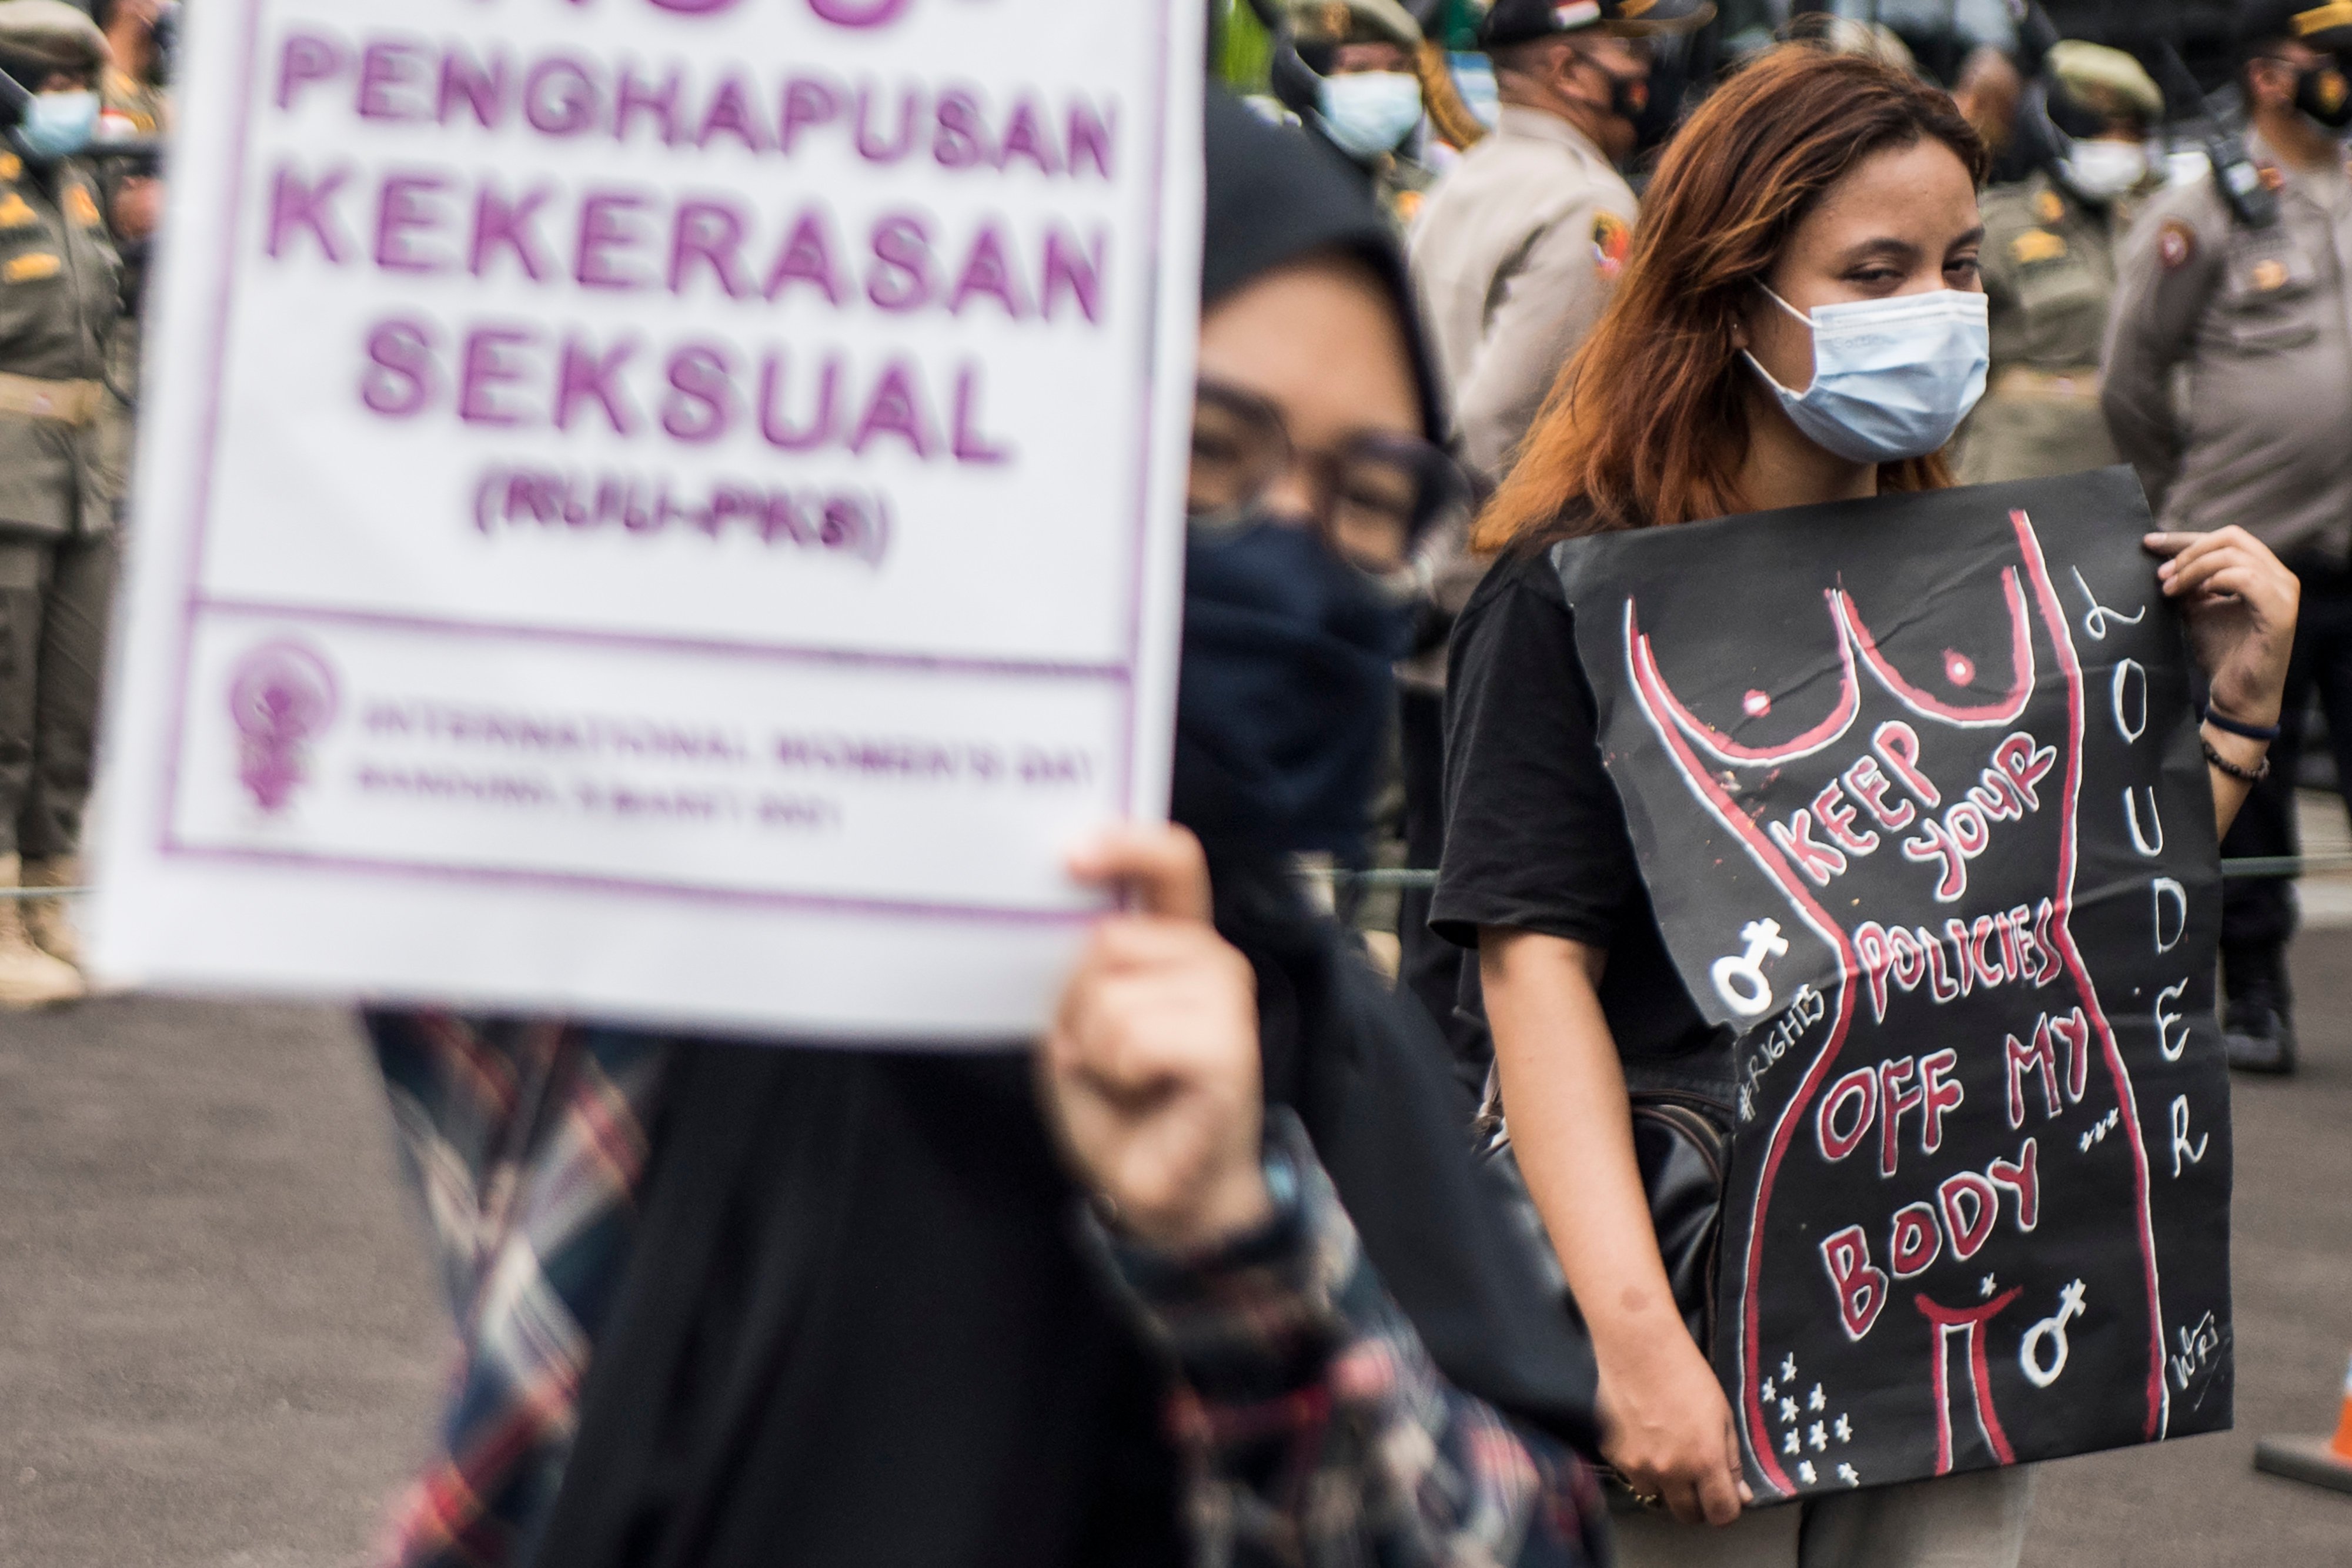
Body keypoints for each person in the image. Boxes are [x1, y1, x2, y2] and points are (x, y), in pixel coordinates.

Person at [362, 89, 1612, 1568]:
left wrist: (1241, 1257)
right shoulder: (677, 963)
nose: (1292, 556)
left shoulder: (1332, 1043)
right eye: (1209, 456)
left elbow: (1529, 1540)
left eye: (1362, 503)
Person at [1434, 41, 2296, 1567]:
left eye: (1959, 265)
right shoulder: (1574, 587)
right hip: (1699, 1278)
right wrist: (1634, 1343)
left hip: (1952, 1279)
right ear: (1729, 285)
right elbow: (1530, 966)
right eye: (1876, 269)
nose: (1938, 310)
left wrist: (2228, 711)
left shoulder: (1999, 575)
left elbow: (2078, 915)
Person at [2102, 0, 2352, 1075]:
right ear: (2269, 75)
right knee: (2249, 784)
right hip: (2254, 558)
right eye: (2331, 59)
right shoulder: (2202, 207)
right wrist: (2187, 505)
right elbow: (2130, 380)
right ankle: (2251, 994)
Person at [1409, 0, 1715, 484]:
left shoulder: (1465, 175)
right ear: (1569, 72)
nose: (1649, 69)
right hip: (1491, 547)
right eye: (1633, 49)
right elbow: (1512, 429)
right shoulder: (1587, 204)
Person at [0, 0, 123, 1008]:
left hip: (81, 473)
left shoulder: (74, 184)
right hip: (3, 473)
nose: (71, 103)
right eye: (51, 84)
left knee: (68, 707)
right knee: (3, 703)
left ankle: (50, 895)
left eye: (80, 84)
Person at [1956, 40, 2164, 485]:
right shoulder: (1997, 225)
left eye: (2132, 134)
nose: (2121, 148)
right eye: (2106, 131)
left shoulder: (2154, 225)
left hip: (2128, 483)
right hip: (2020, 480)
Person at [1281, 0, 1439, 228]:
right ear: (1311, 78)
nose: (1383, 85)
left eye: (1397, 67)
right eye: (1359, 69)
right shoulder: (1280, 183)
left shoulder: (1426, 191)